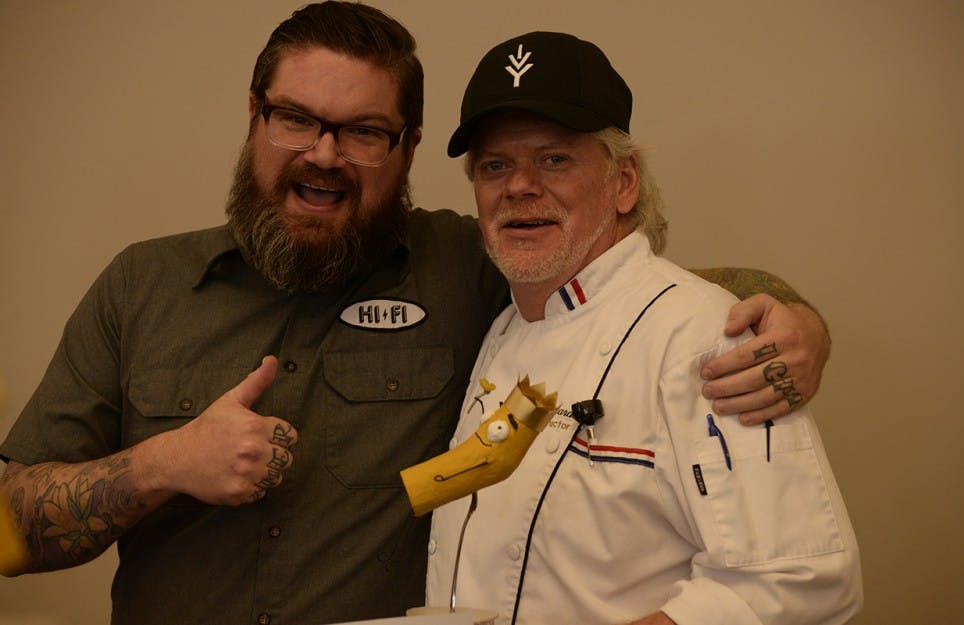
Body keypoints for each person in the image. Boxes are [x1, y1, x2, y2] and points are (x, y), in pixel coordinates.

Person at [0, 3, 830, 624]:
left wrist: (795, 321)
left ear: (406, 148)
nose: (324, 153)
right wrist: (162, 463)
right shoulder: (139, 285)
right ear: (255, 116)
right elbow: (7, 531)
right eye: (296, 119)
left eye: (363, 131)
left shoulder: (471, 268)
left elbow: (615, 287)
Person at [425, 31, 862, 625]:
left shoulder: (706, 336)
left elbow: (801, 582)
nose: (519, 185)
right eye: (495, 165)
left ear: (624, 182)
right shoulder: (503, 327)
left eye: (554, 158)